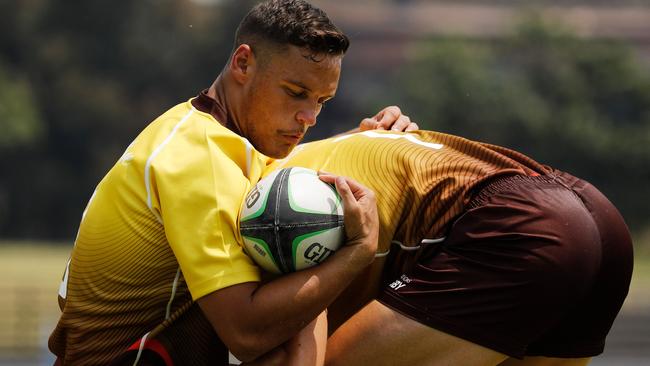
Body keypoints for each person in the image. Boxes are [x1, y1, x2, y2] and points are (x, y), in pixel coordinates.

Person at [48, 1, 417, 365]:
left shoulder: (214, 134)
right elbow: (247, 335)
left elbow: (286, 168)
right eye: (295, 92)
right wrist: (358, 251)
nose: (310, 118)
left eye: (322, 100)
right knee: (300, 252)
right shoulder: (197, 160)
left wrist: (365, 138)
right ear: (243, 63)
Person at [268, 129, 634, 366]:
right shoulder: (315, 151)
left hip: (526, 226)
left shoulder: (258, 195)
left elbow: (259, 338)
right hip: (593, 214)